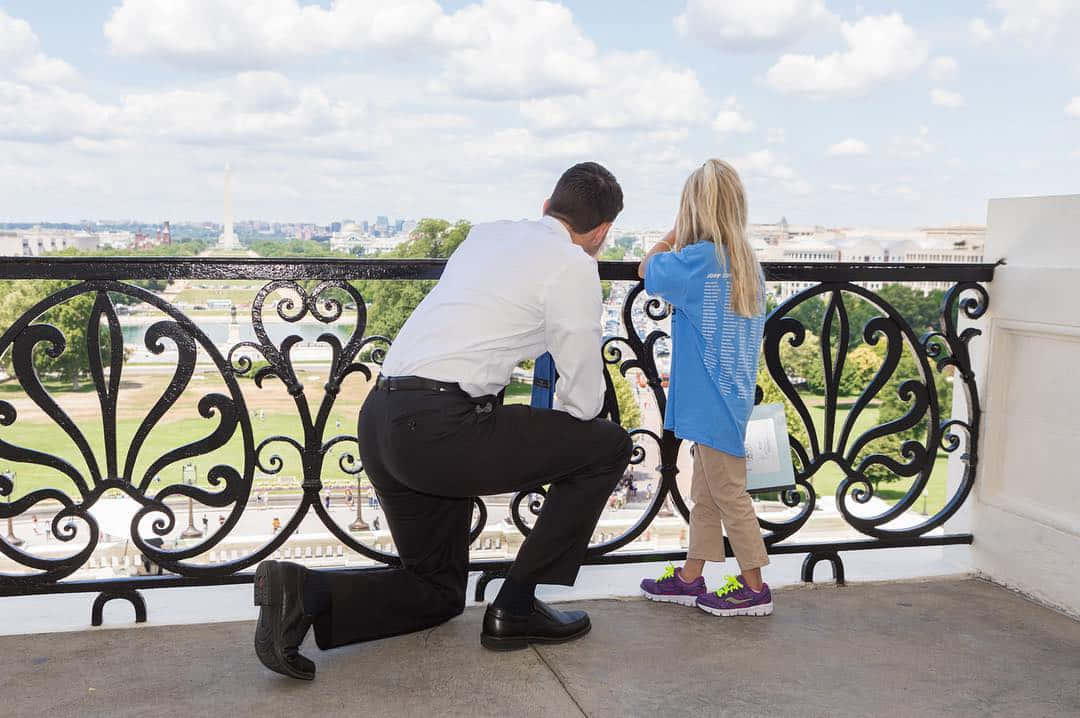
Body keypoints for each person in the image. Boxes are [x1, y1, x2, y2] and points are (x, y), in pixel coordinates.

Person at [252, 162, 632, 680]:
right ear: (603, 233)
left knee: (438, 591)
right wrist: (558, 440)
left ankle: (303, 591)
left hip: (382, 420)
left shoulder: (485, 236)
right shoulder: (574, 265)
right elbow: (584, 401)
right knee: (607, 446)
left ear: (546, 206)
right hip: (441, 431)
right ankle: (516, 605)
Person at [637, 159, 772, 618]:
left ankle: (754, 586)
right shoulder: (747, 264)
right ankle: (692, 576)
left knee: (729, 493)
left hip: (707, 399)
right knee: (708, 492)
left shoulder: (696, 262)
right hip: (731, 395)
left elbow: (647, 268)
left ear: (692, 210)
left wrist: (673, 232)